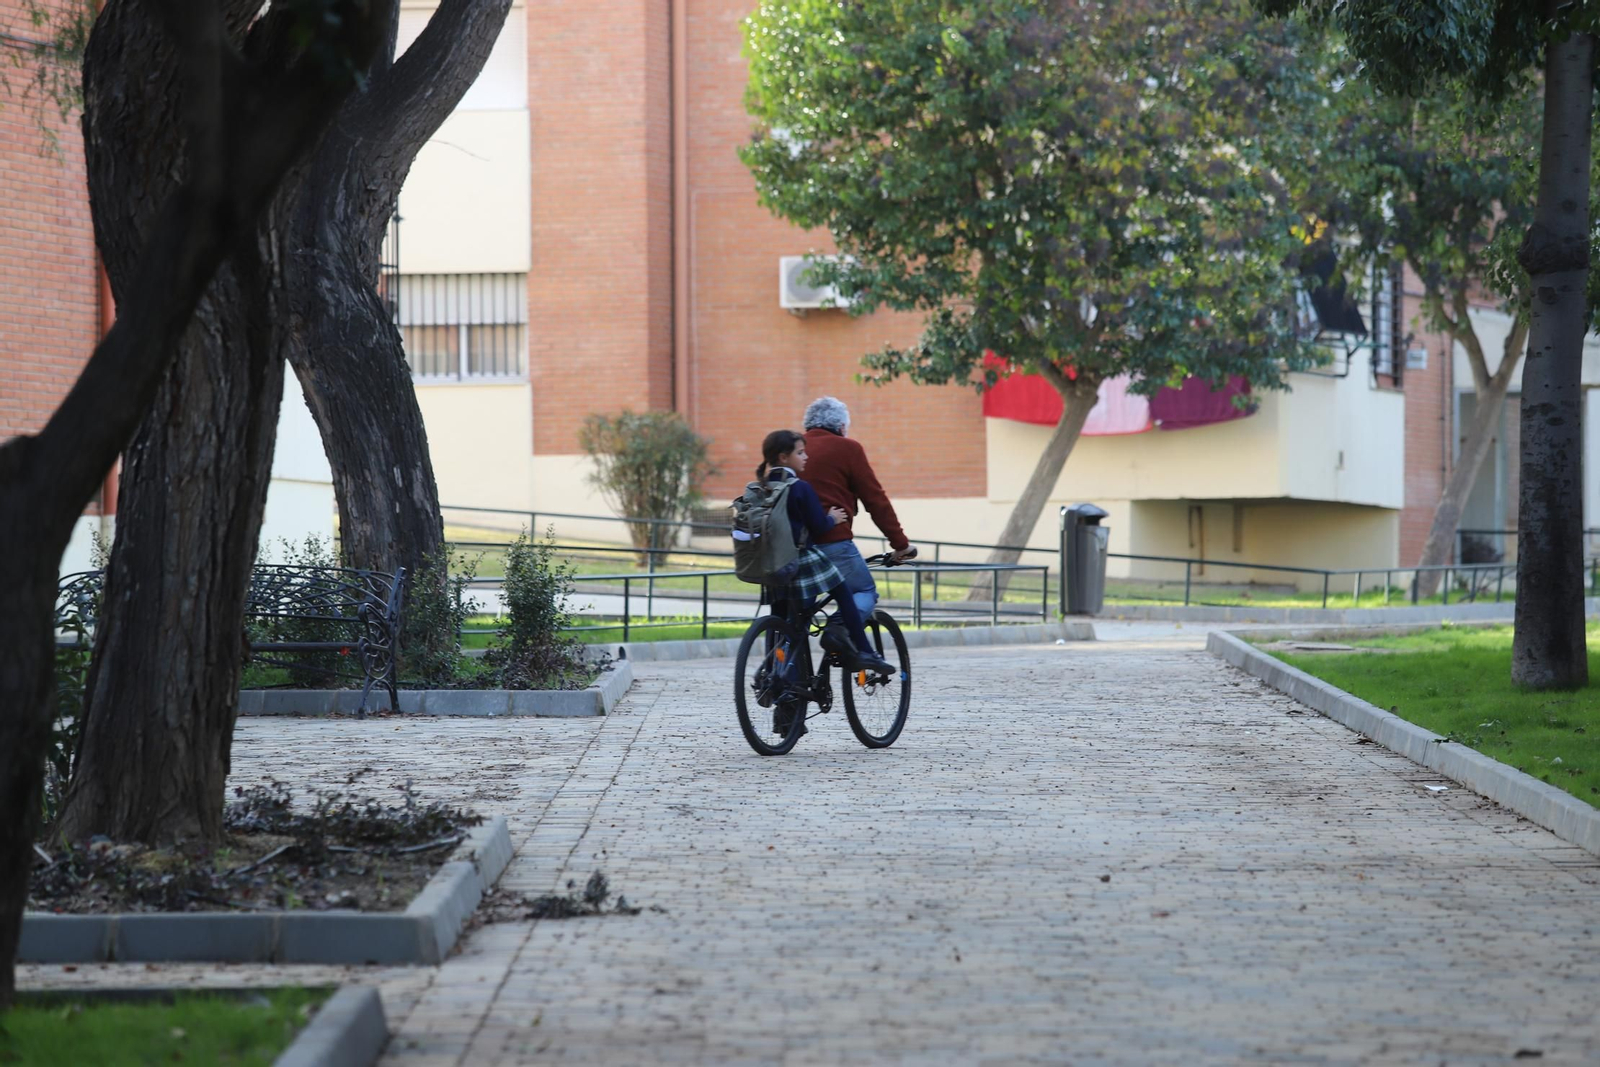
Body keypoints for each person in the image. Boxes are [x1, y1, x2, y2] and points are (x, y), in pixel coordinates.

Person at [755, 429, 895, 678]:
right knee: (843, 591)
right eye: (800, 453)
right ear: (784, 457)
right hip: (800, 560)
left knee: (785, 620)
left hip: (770, 564)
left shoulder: (760, 488)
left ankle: (775, 674)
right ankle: (863, 650)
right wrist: (832, 518)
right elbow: (818, 526)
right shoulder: (800, 488)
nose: (806, 457)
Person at [798, 397, 914, 621]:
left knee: (796, 615)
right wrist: (900, 545)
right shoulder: (848, 448)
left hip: (790, 545)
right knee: (864, 591)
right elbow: (875, 500)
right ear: (842, 427)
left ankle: (784, 643)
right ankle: (838, 629)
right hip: (831, 540)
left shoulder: (793, 448)